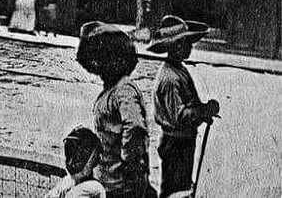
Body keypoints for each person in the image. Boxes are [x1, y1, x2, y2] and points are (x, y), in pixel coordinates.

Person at [76, 21, 155, 198]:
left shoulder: (123, 90)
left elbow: (134, 127)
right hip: (110, 180)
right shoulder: (112, 89)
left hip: (121, 185)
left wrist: (129, 167)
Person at [148, 16, 219, 198]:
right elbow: (179, 116)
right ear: (176, 46)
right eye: (186, 43)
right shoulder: (171, 78)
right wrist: (203, 111)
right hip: (175, 143)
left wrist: (202, 109)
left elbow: (187, 106)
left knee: (181, 187)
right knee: (174, 191)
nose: (190, 47)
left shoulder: (178, 69)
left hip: (182, 141)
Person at [46, 126, 107, 198]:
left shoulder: (93, 188)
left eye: (78, 156)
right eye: (69, 154)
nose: (71, 162)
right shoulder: (67, 182)